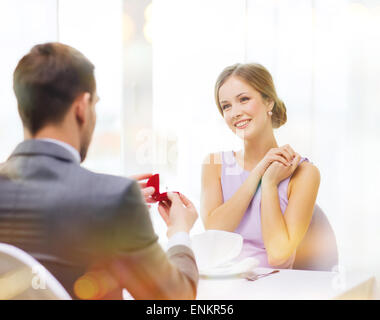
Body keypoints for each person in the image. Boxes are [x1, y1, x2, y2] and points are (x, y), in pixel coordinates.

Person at [0, 42, 199, 299]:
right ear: (82, 107)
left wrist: (113, 199)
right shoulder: (114, 200)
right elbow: (174, 300)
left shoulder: (112, 198)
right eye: (95, 104)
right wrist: (179, 231)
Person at [201, 63, 323, 269]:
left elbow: (278, 255)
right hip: (219, 284)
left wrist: (269, 184)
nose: (235, 112)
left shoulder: (304, 173)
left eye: (244, 99)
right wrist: (258, 173)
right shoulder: (214, 165)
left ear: (269, 102)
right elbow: (214, 233)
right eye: (226, 106)